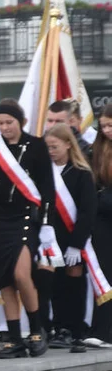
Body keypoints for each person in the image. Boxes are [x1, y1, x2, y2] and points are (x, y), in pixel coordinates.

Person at [0, 100, 55, 359]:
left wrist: (46, 224)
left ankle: (36, 330)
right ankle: (14, 339)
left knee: (22, 274)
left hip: (26, 218)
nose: (5, 127)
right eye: (0, 123)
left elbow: (47, 187)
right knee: (5, 281)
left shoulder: (36, 146)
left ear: (20, 122)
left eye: (9, 122)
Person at [45, 123, 96, 353]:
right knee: (54, 283)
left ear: (68, 145)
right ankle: (59, 326)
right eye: (48, 147)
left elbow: (87, 211)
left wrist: (77, 244)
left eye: (55, 147)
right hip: (51, 238)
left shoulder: (81, 173)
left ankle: (76, 328)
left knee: (73, 281)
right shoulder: (44, 172)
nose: (51, 151)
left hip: (74, 237)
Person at [87, 105, 112, 345]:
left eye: (110, 125)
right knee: (103, 272)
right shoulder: (97, 150)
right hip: (103, 218)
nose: (106, 130)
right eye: (103, 126)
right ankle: (102, 329)